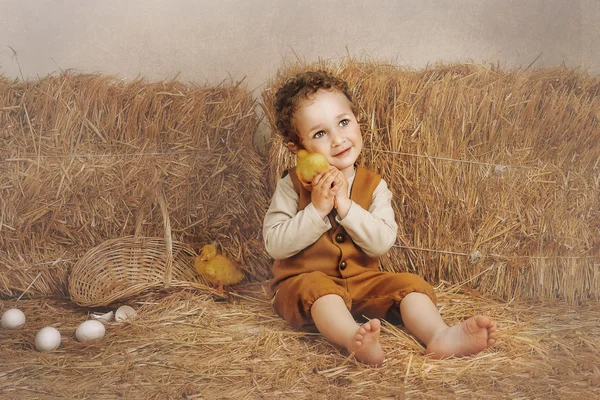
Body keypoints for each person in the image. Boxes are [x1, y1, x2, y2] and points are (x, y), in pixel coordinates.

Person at [263, 70, 496, 366]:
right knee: (320, 290)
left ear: (357, 121)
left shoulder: (374, 186)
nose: (338, 140)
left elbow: (380, 243)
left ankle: (440, 336)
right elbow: (275, 244)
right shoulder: (291, 185)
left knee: (410, 285)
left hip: (363, 284)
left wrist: (346, 207)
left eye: (343, 123)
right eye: (320, 134)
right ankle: (353, 338)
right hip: (303, 287)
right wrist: (317, 210)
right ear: (297, 148)